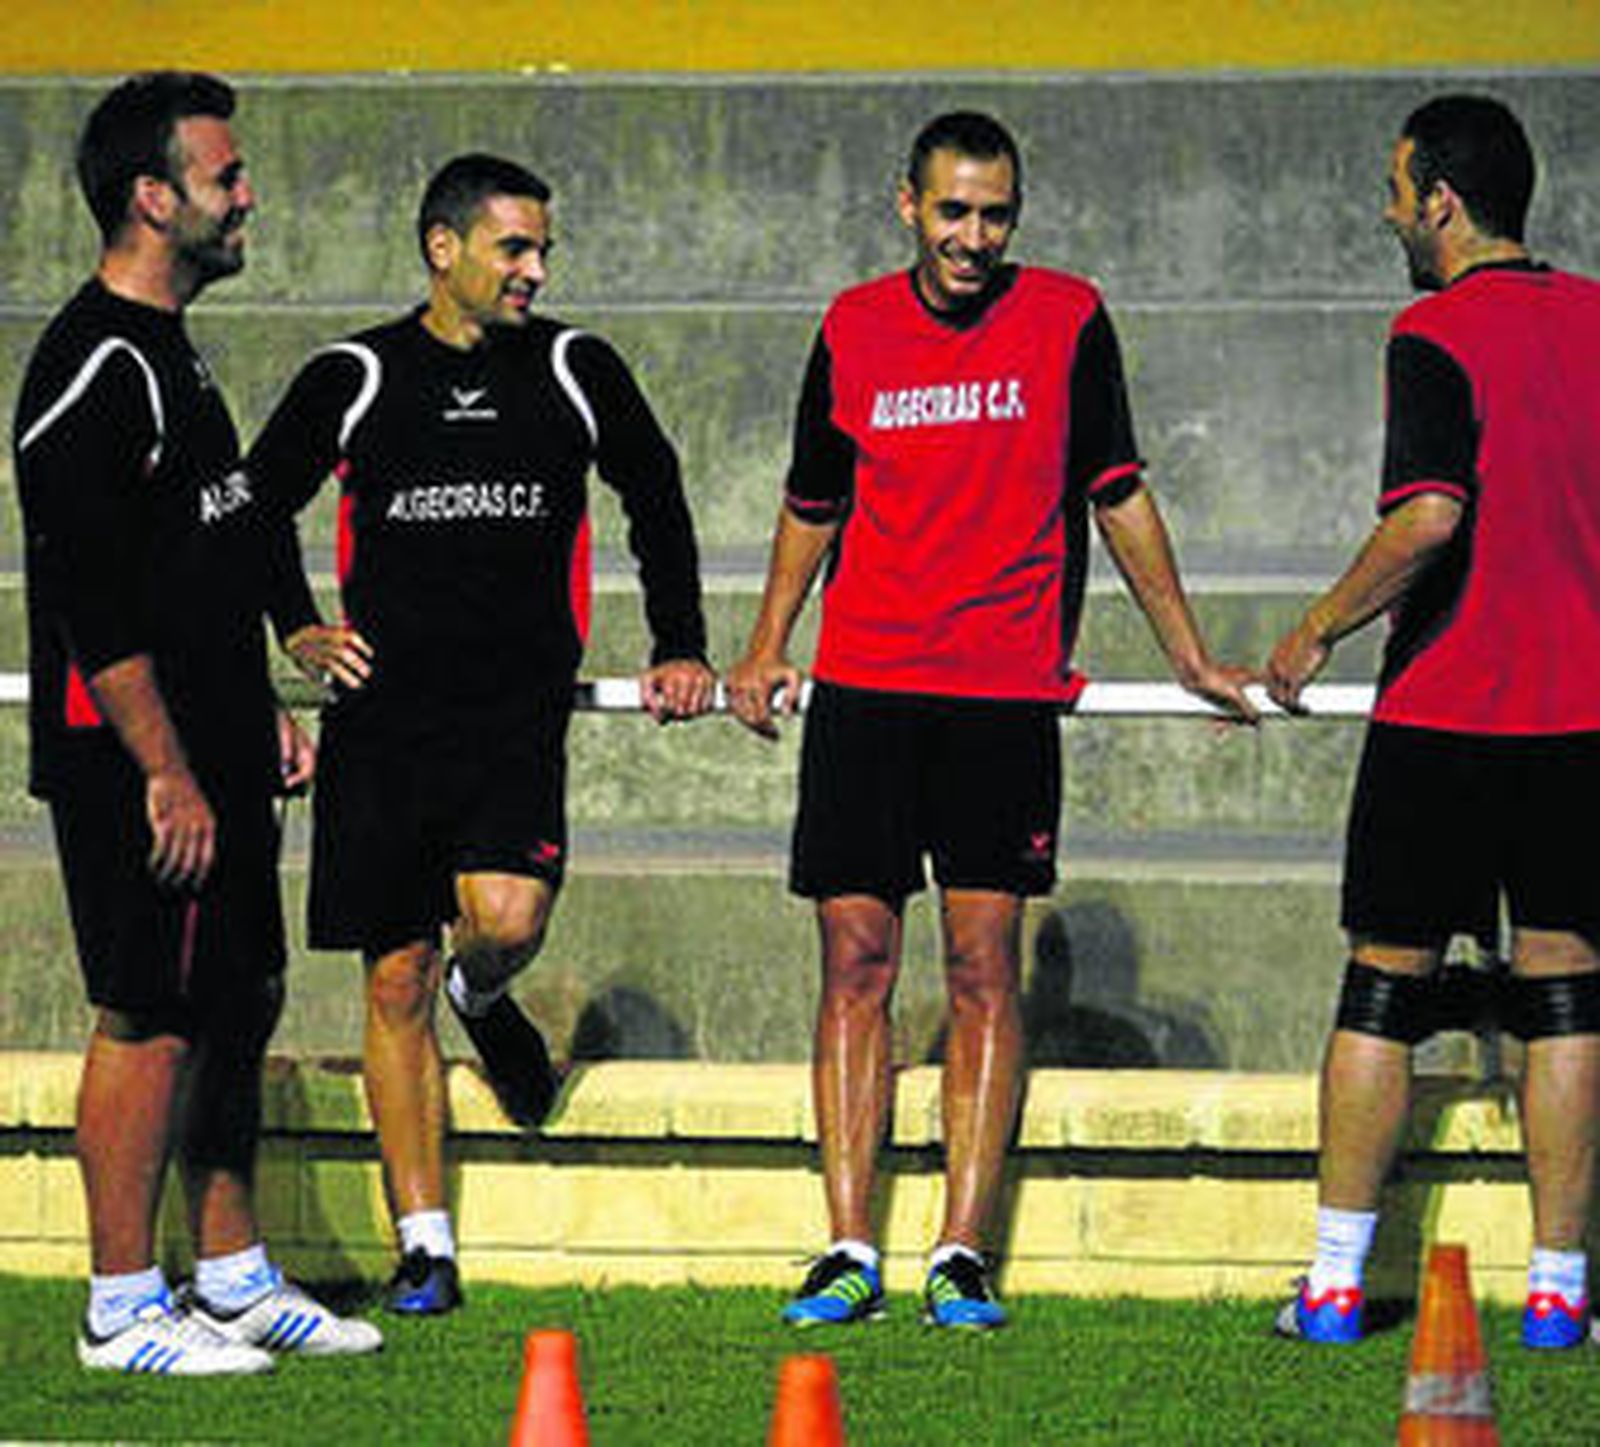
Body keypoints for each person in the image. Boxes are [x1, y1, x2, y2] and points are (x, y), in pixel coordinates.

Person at [727, 111, 1255, 1330]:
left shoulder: (1068, 318)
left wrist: (1185, 651)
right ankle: (846, 1244)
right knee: (855, 966)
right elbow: (815, 498)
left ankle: (961, 1248)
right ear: (905, 205)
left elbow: (1116, 491)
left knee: (980, 970)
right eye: (953, 211)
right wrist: (766, 645)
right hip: (864, 691)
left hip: (999, 695)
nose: (974, 237)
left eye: (996, 214)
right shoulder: (852, 326)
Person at [247, 153, 716, 1316]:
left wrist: (679, 641)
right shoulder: (354, 373)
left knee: (504, 920)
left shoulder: (572, 363)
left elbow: (653, 491)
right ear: (441, 247)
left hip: (511, 721)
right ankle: (426, 1243)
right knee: (392, 972)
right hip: (386, 726)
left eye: (542, 249)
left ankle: (487, 995)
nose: (535, 270)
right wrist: (299, 629)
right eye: (514, 247)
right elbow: (255, 505)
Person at [12, 72, 381, 1374]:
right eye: (226, 178)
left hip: (216, 745)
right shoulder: (92, 367)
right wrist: (168, 767)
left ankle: (228, 1270)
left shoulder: (175, 346)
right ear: (154, 198)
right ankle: (122, 1300)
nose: (248, 196)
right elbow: (91, 608)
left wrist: (278, 657)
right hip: (132, 758)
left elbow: (228, 517)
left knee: (239, 989)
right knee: (148, 1008)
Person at [1268, 95, 1600, 1350]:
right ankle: (1561, 1293)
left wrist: (1315, 628)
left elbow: (1427, 517)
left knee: (1382, 989)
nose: (1389, 210)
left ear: (1441, 201)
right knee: (1566, 991)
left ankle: (1337, 1285)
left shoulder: (1434, 331)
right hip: (1582, 720)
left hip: (1450, 711)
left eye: (1398, 190)